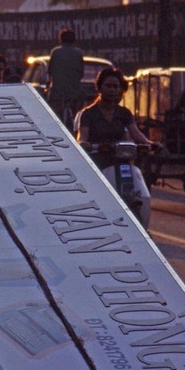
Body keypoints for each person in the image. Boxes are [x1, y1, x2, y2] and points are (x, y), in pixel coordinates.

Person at [77, 66, 153, 227]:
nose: (112, 90)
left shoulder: (124, 113)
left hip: (121, 160)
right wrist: (85, 144)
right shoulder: (88, 114)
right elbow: (82, 138)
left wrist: (150, 144)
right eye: (108, 86)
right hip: (98, 161)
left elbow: (136, 134)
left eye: (115, 87)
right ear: (99, 87)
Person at [47, 28, 84, 120]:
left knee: (53, 116)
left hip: (57, 92)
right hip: (74, 92)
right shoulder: (79, 53)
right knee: (78, 113)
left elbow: (49, 71)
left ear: (61, 39)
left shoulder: (55, 52)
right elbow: (81, 73)